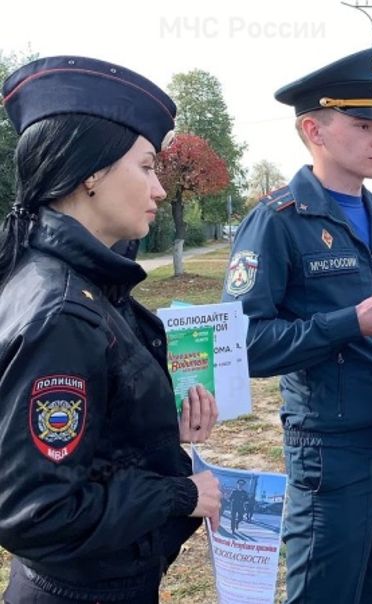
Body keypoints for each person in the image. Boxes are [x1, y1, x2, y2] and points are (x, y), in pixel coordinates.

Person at [0, 56, 223, 603]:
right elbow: (37, 511)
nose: (160, 190)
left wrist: (154, 427)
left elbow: (77, 443)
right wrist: (179, 494)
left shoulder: (73, 281)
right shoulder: (63, 309)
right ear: (91, 174)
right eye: (147, 168)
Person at [222, 47, 372, 604]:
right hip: (330, 449)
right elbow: (244, 344)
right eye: (363, 124)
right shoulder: (276, 221)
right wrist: (348, 323)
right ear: (315, 130)